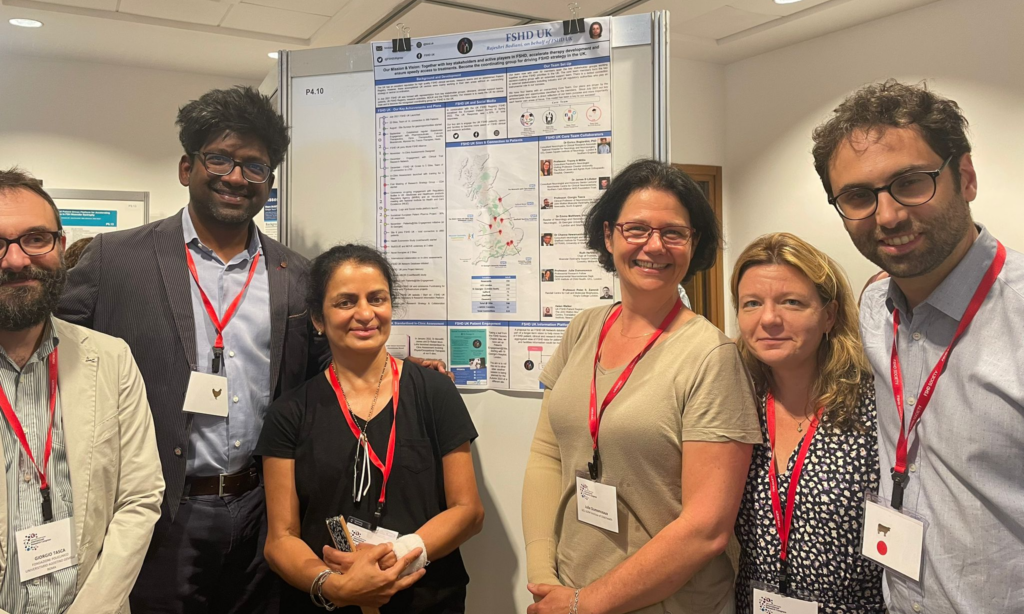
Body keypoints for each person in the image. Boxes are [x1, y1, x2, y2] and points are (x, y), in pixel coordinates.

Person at [57, 86, 324, 613]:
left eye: (254, 166)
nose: (235, 177)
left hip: (261, 508)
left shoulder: (295, 274)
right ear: (187, 167)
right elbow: (50, 348)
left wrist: (401, 372)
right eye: (220, 158)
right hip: (159, 510)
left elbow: (321, 372)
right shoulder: (116, 259)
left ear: (269, 183)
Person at [812, 79, 1024, 613]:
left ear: (966, 177)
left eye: (910, 183)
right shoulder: (874, 311)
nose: (887, 216)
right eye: (859, 196)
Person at [522, 160, 761, 614]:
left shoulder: (710, 357)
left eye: (674, 233)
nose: (654, 246)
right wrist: (542, 579)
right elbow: (546, 454)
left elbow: (706, 528)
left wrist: (584, 603)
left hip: (668, 604)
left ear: (694, 245)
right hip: (566, 591)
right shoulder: (583, 329)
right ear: (609, 236)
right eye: (637, 229)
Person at [259, 244, 483, 612]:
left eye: (377, 298)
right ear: (318, 319)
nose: (365, 314)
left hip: (427, 599)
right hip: (328, 602)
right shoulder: (290, 412)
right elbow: (281, 538)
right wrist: (335, 586)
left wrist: (396, 557)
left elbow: (468, 511)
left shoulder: (434, 391)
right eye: (346, 302)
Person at [0, 168, 164, 613]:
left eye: (36, 238)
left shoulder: (111, 360)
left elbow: (140, 498)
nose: (17, 260)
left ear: (60, 244)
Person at [731, 232, 884, 613]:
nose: (769, 319)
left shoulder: (874, 410)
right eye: (752, 303)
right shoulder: (734, 403)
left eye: (792, 302)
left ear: (829, 315)